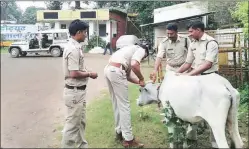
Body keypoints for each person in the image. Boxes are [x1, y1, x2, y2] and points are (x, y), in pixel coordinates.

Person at [103, 42, 149, 148]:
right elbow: (134, 65)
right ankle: (129, 139)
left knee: (117, 104)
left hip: (108, 69)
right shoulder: (141, 50)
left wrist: (139, 82)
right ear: (145, 52)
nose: (142, 59)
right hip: (116, 71)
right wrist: (141, 78)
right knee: (124, 106)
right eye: (144, 57)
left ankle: (119, 132)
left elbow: (128, 76)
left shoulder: (128, 49)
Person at [61, 19, 98, 148]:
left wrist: (87, 71)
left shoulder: (76, 47)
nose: (86, 34)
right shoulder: (73, 49)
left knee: (80, 123)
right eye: (85, 32)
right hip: (75, 93)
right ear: (78, 32)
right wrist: (89, 74)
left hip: (78, 92)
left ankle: (82, 146)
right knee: (71, 127)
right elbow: (74, 73)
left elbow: (78, 68)